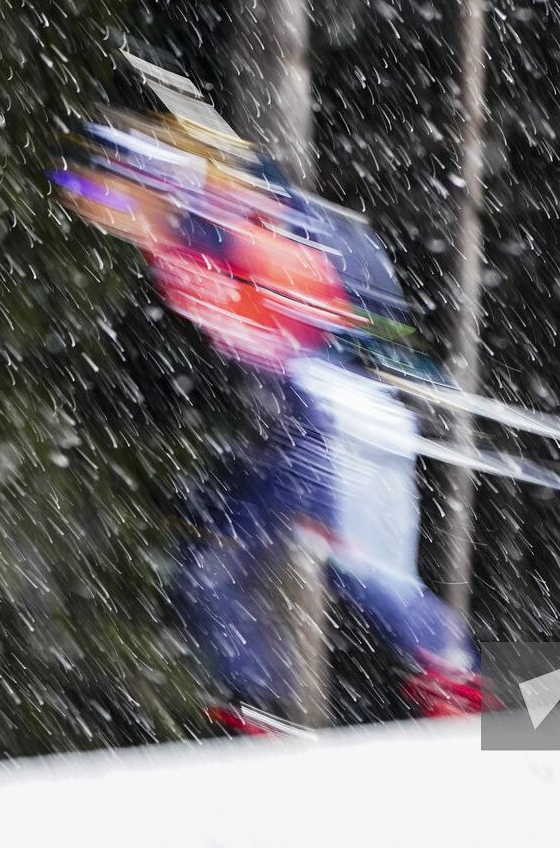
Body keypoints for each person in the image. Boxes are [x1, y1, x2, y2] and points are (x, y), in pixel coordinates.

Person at [53, 95, 489, 734]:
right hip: (297, 427)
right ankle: (259, 714)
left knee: (365, 572)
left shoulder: (214, 221)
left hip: (339, 412)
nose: (97, 211)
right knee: (206, 569)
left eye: (98, 192)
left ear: (138, 176)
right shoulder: (171, 248)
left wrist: (366, 343)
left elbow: (325, 269)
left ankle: (456, 686)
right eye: (80, 201)